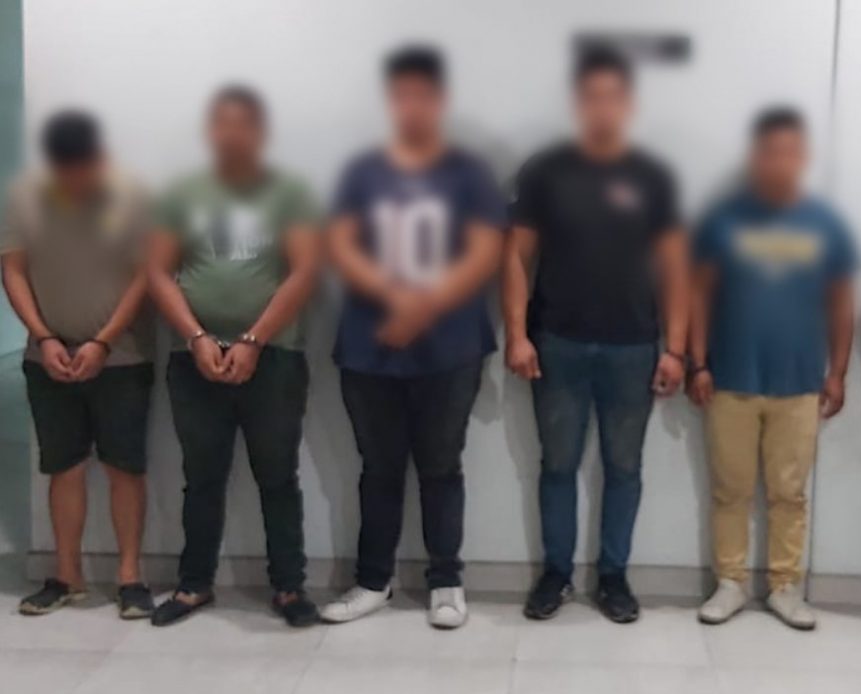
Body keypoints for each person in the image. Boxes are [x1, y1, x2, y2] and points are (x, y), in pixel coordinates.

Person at [321, 45, 505, 630]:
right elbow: (342, 244)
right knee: (378, 469)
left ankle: (446, 582)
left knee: (441, 467)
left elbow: (485, 252)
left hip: (449, 347)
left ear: (441, 100)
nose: (413, 105)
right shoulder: (363, 171)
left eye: (424, 95)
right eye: (403, 95)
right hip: (369, 346)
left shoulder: (469, 172)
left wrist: (424, 305)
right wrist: (394, 297)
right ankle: (372, 581)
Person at [504, 47, 688, 624]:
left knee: (624, 467)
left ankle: (613, 577)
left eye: (613, 96)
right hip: (556, 342)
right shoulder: (544, 171)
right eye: (591, 96)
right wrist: (517, 334)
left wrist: (676, 348)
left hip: (634, 346)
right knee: (557, 465)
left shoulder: (653, 177)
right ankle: (556, 575)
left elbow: (675, 267)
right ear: (577, 102)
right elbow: (515, 259)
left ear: (628, 103)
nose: (602, 107)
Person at [147, 86, 321, 628]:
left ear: (261, 132)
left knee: (278, 476)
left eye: (244, 124)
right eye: (223, 123)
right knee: (202, 477)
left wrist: (253, 339)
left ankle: (289, 588)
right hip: (194, 357)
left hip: (273, 357)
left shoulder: (289, 192)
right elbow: (157, 272)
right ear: (210, 131)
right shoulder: (182, 193)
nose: (233, 134)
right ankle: (194, 584)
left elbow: (305, 271)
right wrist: (197, 336)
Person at [689, 108, 856, 630]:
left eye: (789, 151)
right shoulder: (723, 219)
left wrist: (838, 372)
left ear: (802, 157)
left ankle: (785, 587)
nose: (779, 161)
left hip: (800, 381)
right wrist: (698, 362)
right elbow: (699, 294)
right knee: (730, 490)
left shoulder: (824, 223)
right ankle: (730, 582)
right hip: (731, 377)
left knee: (789, 494)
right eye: (770, 151)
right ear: (755, 156)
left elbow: (841, 302)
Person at [3, 111, 155, 620]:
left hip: (123, 356)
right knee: (63, 466)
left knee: (124, 467)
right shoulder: (23, 199)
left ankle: (130, 577)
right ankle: (67, 576)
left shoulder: (131, 197)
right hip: (47, 357)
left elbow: (145, 275)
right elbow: (13, 270)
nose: (76, 182)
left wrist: (103, 342)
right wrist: (44, 337)